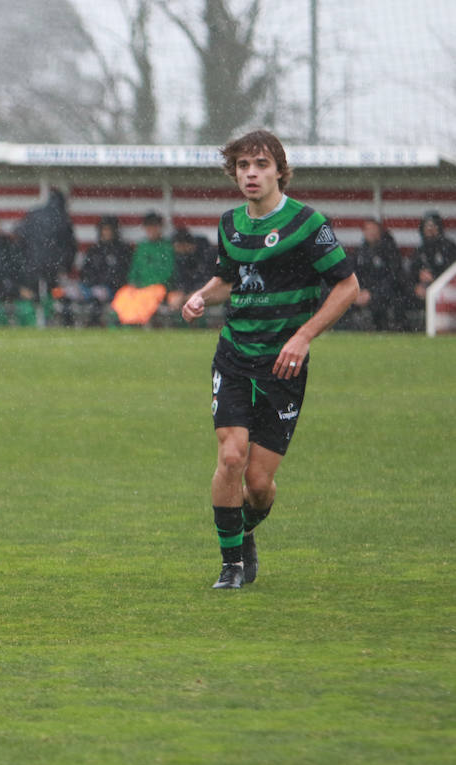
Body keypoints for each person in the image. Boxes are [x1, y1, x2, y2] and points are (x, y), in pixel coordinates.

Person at [181, 129, 357, 589]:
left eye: (260, 165)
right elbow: (227, 280)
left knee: (258, 484)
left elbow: (347, 287)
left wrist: (302, 336)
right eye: (243, 166)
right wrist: (203, 296)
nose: (251, 174)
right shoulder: (229, 223)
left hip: (284, 365)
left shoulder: (307, 223)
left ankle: (242, 534)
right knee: (231, 455)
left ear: (279, 169)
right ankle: (231, 565)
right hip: (235, 355)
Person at [16, 188, 77, 324]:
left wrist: (27, 263)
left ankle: (35, 322)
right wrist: (64, 267)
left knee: (34, 296)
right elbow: (70, 247)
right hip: (53, 270)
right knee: (54, 295)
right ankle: (54, 320)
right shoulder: (63, 218)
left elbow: (20, 238)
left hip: (32, 268)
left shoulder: (33, 214)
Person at [111, 211, 175, 325]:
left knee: (148, 297)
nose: (151, 230)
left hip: (157, 287)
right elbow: (134, 269)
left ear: (160, 227)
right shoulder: (142, 247)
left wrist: (150, 284)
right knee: (124, 294)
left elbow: (169, 272)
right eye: (148, 226)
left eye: (154, 226)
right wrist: (133, 283)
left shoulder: (167, 248)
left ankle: (137, 322)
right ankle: (123, 322)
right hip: (139, 287)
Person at [73, 215, 133, 327]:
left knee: (98, 296)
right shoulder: (94, 250)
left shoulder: (122, 251)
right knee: (69, 294)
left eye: (108, 229)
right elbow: (85, 271)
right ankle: (67, 325)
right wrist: (91, 282)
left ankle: (93, 324)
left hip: (110, 289)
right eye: (103, 229)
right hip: (90, 286)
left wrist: (104, 283)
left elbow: (120, 274)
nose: (106, 232)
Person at [352, 218, 407, 331]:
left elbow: (393, 278)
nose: (370, 233)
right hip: (362, 293)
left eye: (373, 229)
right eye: (367, 229)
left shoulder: (390, 250)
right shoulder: (360, 252)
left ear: (379, 232)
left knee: (382, 304)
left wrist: (372, 293)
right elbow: (354, 275)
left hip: (385, 295)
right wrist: (358, 293)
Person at [408, 210, 456, 330]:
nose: (430, 230)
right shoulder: (419, 251)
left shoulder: (449, 248)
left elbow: (451, 274)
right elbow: (409, 274)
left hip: (446, 293)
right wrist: (415, 287)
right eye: (427, 226)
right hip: (422, 292)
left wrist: (435, 279)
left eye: (433, 226)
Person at [162, 226, 217, 325]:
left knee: (193, 301)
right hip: (192, 292)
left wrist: (193, 294)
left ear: (185, 245)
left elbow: (210, 279)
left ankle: (200, 326)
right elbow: (182, 279)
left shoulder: (208, 254)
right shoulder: (182, 257)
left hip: (214, 291)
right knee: (176, 300)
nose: (176, 250)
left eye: (178, 246)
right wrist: (180, 292)